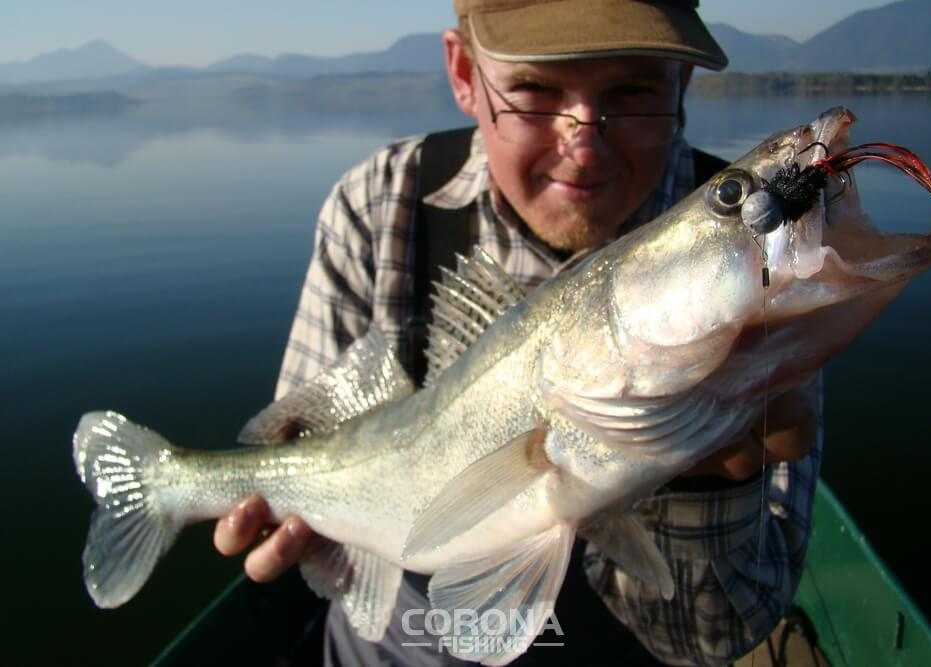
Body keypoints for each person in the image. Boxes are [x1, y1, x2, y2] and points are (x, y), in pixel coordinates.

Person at [214, 1, 822, 664]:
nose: (583, 145)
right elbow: (294, 443)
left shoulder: (748, 257)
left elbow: (712, 641)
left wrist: (708, 479)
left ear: (682, 87)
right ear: (464, 72)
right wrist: (308, 524)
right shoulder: (377, 203)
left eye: (633, 89)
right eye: (534, 89)